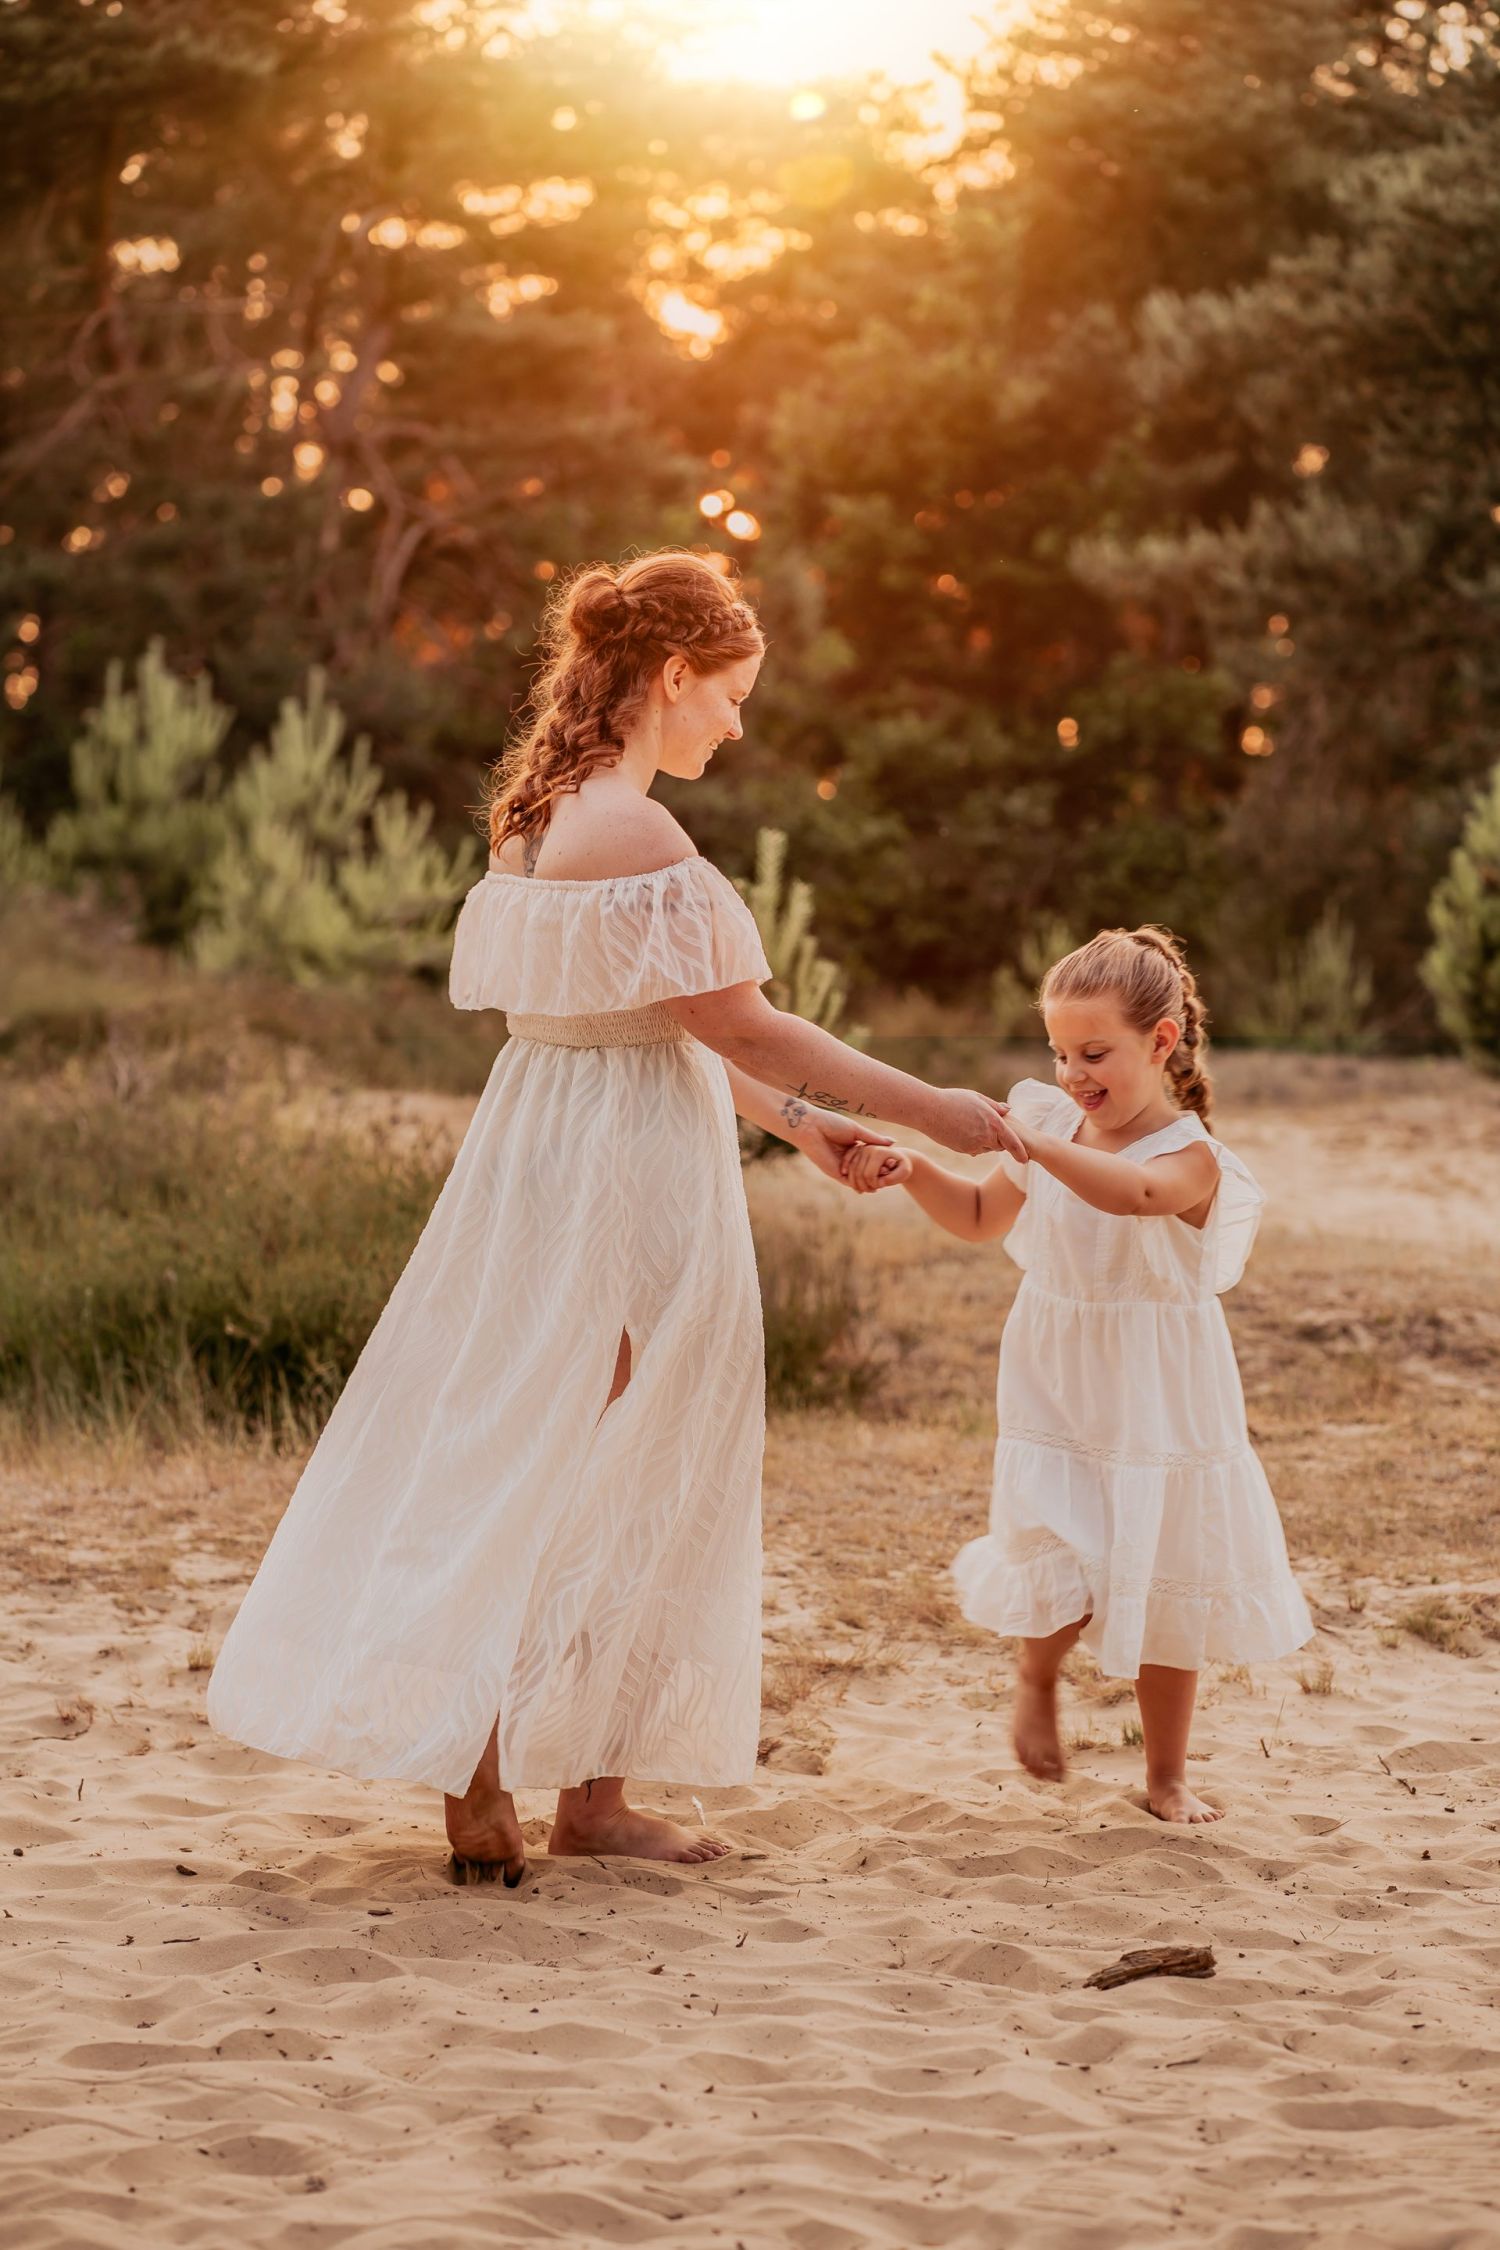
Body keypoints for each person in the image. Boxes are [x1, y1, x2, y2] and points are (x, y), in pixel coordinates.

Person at [207, 548, 1023, 1883]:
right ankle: (494, 1746)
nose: (738, 724)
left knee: (556, 1440)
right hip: (627, 1168)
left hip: (546, 1145)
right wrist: (932, 1105)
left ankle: (585, 1787)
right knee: (614, 1453)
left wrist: (804, 1127)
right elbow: (741, 1018)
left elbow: (659, 1025)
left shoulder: (538, 812)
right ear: (672, 674)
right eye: (732, 695)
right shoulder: (637, 833)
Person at [840, 924, 1312, 1824]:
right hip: (1059, 1372)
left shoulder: (1191, 1156)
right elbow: (981, 1215)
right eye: (1059, 1052)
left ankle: (1166, 1774)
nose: (1071, 1075)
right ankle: (1036, 1676)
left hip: (1160, 1393)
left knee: (1170, 1566)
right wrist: (916, 1169)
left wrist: (1023, 1138)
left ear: (1161, 1042)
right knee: (1058, 1535)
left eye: (1094, 1053)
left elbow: (1128, 1194)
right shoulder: (1052, 1123)